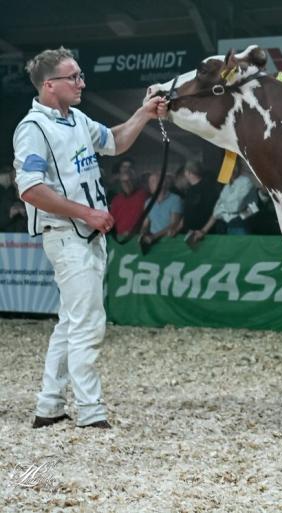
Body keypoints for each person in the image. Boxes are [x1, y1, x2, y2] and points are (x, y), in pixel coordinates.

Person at [12, 46, 167, 429]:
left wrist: (144, 114)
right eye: (74, 77)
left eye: (80, 75)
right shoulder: (34, 130)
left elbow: (113, 141)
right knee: (89, 323)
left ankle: (49, 407)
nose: (82, 82)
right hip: (66, 234)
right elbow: (30, 188)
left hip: (86, 234)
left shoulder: (76, 119)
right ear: (50, 85)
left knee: (71, 321)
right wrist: (88, 213)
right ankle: (91, 411)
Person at [188, 163, 253, 243]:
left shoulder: (245, 181)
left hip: (240, 228)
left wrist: (239, 218)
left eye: (234, 166)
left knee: (241, 253)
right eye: (229, 166)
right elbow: (216, 211)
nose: (232, 169)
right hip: (227, 228)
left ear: (238, 168)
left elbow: (246, 207)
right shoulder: (226, 187)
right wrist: (203, 231)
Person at [171, 160, 219, 236]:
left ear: (188, 172)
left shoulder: (207, 189)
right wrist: (177, 229)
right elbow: (187, 212)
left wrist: (203, 231)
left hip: (204, 236)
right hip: (190, 235)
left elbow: (215, 212)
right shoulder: (190, 190)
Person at [139, 169, 182, 251]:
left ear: (162, 183)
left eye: (153, 181)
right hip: (153, 245)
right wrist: (142, 235)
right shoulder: (148, 202)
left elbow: (174, 223)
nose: (149, 184)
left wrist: (154, 237)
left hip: (170, 243)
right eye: (149, 182)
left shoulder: (175, 199)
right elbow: (145, 224)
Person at [108, 162, 148, 236]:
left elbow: (148, 218)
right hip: (119, 239)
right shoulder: (116, 199)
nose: (127, 170)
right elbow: (111, 221)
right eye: (124, 167)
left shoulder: (143, 195)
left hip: (137, 237)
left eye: (130, 168)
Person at [0, 166, 26, 232]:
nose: (17, 182)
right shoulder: (6, 197)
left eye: (20, 179)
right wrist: (10, 215)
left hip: (31, 239)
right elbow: (1, 223)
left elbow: (42, 223)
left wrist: (25, 213)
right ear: (12, 181)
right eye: (15, 179)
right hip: (8, 239)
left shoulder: (34, 196)